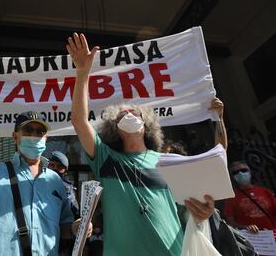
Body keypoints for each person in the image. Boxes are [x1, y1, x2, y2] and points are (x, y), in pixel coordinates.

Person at [67, 32, 214, 255]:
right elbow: (78, 120)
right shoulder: (105, 158)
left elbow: (190, 212)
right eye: (122, 116)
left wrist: (202, 214)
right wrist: (82, 73)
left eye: (135, 113)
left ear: (146, 125)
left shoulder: (169, 162)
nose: (129, 116)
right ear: (114, 129)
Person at [0, 106, 88, 256]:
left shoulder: (55, 180)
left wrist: (77, 227)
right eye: (28, 130)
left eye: (40, 132)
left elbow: (64, 225)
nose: (34, 135)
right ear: (14, 136)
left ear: (46, 138)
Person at [224, 160, 276, 233]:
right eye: (235, 172)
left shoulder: (265, 192)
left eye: (243, 170)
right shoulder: (231, 197)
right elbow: (230, 222)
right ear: (233, 177)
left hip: (273, 235)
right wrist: (246, 228)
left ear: (250, 173)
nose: (240, 173)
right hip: (251, 239)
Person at [48, 150, 80, 217]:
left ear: (65, 172)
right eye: (52, 165)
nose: (55, 169)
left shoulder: (67, 189)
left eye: (59, 167)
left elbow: (75, 212)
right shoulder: (38, 183)